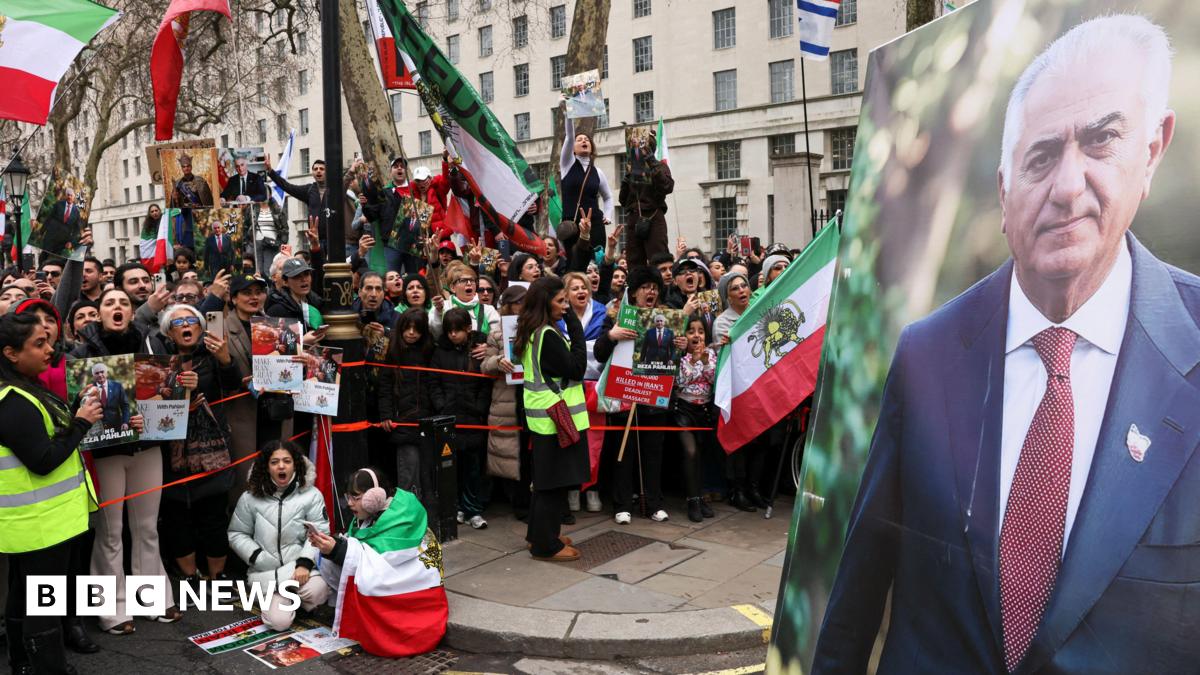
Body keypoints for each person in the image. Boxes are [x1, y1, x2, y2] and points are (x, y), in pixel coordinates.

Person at [813, 16, 1198, 673]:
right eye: (1041, 158)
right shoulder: (926, 353)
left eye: (1101, 140)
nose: (1067, 187)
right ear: (1004, 192)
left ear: (1152, 150)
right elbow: (857, 598)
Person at [0, 312, 102, 674]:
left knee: (23, 597)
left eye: (48, 341)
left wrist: (74, 416)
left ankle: (24, 665)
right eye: (38, 343)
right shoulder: (12, 400)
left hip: (40, 523)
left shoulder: (24, 388)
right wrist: (82, 422)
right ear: (11, 353)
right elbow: (43, 460)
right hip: (41, 525)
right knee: (42, 606)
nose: (49, 349)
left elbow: (45, 436)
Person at [71, 288, 173, 635]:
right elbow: (76, 407)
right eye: (110, 302)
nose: (118, 307)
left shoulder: (152, 343)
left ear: (132, 311)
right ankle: (109, 608)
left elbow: (164, 392)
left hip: (147, 447)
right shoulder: (82, 353)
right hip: (106, 454)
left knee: (147, 526)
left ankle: (152, 598)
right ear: (99, 312)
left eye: (124, 303)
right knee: (110, 531)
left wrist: (181, 384)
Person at [308, 468, 447, 658]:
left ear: (375, 496)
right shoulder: (372, 513)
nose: (349, 503)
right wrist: (333, 548)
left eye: (356, 497)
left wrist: (337, 549)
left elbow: (382, 562)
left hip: (413, 586)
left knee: (363, 578)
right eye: (348, 497)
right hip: (393, 577)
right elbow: (365, 553)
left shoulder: (401, 518)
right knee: (327, 560)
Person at [151, 304, 240, 589]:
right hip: (172, 448)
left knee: (214, 514)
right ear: (169, 333)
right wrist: (177, 397)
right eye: (178, 323)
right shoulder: (159, 362)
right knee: (176, 515)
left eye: (192, 320)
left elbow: (234, 385)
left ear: (201, 328)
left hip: (211, 448)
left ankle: (217, 577)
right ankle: (190, 577)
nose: (186, 325)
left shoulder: (212, 355)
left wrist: (225, 359)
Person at [594, 267, 691, 523]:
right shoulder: (616, 317)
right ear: (634, 292)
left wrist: (680, 346)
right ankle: (622, 505)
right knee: (623, 454)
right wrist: (612, 335)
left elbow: (672, 359)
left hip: (654, 397)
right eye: (645, 287)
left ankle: (653, 504)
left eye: (655, 288)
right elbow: (600, 353)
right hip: (624, 396)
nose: (651, 292)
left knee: (653, 454)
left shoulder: (667, 319)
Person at [514, 277, 588, 559]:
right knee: (552, 483)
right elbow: (577, 368)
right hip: (555, 418)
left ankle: (541, 535)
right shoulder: (547, 334)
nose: (565, 306)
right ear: (545, 303)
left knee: (546, 481)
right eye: (560, 301)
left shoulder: (534, 330)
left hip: (545, 417)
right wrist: (575, 327)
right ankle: (546, 545)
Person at [228, 441, 330, 631]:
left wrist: (305, 563)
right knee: (279, 623)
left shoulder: (312, 495)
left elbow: (320, 531)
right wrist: (256, 556)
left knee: (320, 590)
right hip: (266, 573)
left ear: (296, 465)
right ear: (266, 467)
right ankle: (281, 602)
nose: (281, 466)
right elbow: (236, 533)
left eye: (287, 461)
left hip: (297, 570)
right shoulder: (249, 498)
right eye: (274, 462)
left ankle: (295, 599)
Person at [429, 307, 492, 529]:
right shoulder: (440, 353)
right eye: (449, 330)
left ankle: (473, 509)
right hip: (449, 417)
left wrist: (479, 407)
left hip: (473, 417)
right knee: (451, 468)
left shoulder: (478, 350)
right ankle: (456, 507)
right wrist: (442, 406)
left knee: (473, 468)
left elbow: (485, 383)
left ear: (468, 328)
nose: (453, 334)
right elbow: (434, 382)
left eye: (457, 330)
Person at [378, 309, 434, 495]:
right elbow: (385, 385)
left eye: (416, 329)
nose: (411, 333)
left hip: (426, 417)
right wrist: (386, 414)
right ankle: (409, 506)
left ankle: (422, 506)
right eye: (407, 328)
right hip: (402, 418)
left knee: (426, 471)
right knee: (408, 468)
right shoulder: (393, 351)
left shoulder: (429, 350)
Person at [481, 286, 526, 511]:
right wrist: (498, 361)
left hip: (532, 394)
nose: (522, 306)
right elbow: (484, 365)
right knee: (510, 450)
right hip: (506, 398)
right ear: (508, 306)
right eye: (518, 302)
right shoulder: (497, 332)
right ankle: (517, 502)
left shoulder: (537, 329)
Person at [674, 315, 717, 522]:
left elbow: (714, 380)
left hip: (704, 411)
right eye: (691, 331)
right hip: (684, 410)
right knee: (690, 452)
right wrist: (692, 360)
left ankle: (700, 497)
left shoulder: (711, 354)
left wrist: (706, 362)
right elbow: (680, 382)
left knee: (701, 455)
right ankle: (692, 500)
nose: (696, 336)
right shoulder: (680, 356)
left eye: (700, 331)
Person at [559, 112, 614, 250]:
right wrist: (568, 113)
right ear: (572, 148)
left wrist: (608, 215)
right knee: (575, 260)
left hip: (595, 224)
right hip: (572, 225)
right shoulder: (567, 165)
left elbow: (608, 197)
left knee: (597, 259)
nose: (584, 141)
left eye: (587, 140)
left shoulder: (598, 172)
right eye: (579, 140)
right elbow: (569, 136)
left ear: (591, 146)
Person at [619, 132, 674, 267]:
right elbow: (623, 200)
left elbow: (667, 186)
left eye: (641, 145)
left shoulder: (659, 166)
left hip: (653, 216)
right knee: (634, 262)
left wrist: (651, 160)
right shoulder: (632, 170)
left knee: (659, 259)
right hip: (634, 218)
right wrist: (627, 178)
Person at [265, 155, 332, 249]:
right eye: (315, 169)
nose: (318, 171)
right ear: (312, 173)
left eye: (321, 169)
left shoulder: (335, 189)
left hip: (334, 239)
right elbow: (287, 187)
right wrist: (270, 171)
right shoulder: (309, 190)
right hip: (315, 240)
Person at [429, 263, 500, 337]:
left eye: (472, 280)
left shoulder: (488, 310)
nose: (469, 283)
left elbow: (497, 337)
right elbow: (436, 334)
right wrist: (439, 312)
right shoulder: (442, 307)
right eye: (463, 280)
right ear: (452, 287)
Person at [87, 362, 131, 432]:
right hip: (97, 429)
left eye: (102, 372)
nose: (100, 375)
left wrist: (125, 422)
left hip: (116, 427)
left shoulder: (117, 386)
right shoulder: (89, 390)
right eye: (97, 373)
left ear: (106, 373)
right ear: (93, 375)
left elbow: (125, 405)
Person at [40, 187, 82, 256]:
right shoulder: (58, 205)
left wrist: (71, 242)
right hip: (51, 236)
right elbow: (49, 218)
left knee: (55, 258)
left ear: (74, 197)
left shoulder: (76, 212)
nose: (69, 197)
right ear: (66, 196)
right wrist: (42, 231)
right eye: (68, 195)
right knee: (44, 255)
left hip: (62, 242)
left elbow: (77, 229)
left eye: (71, 195)